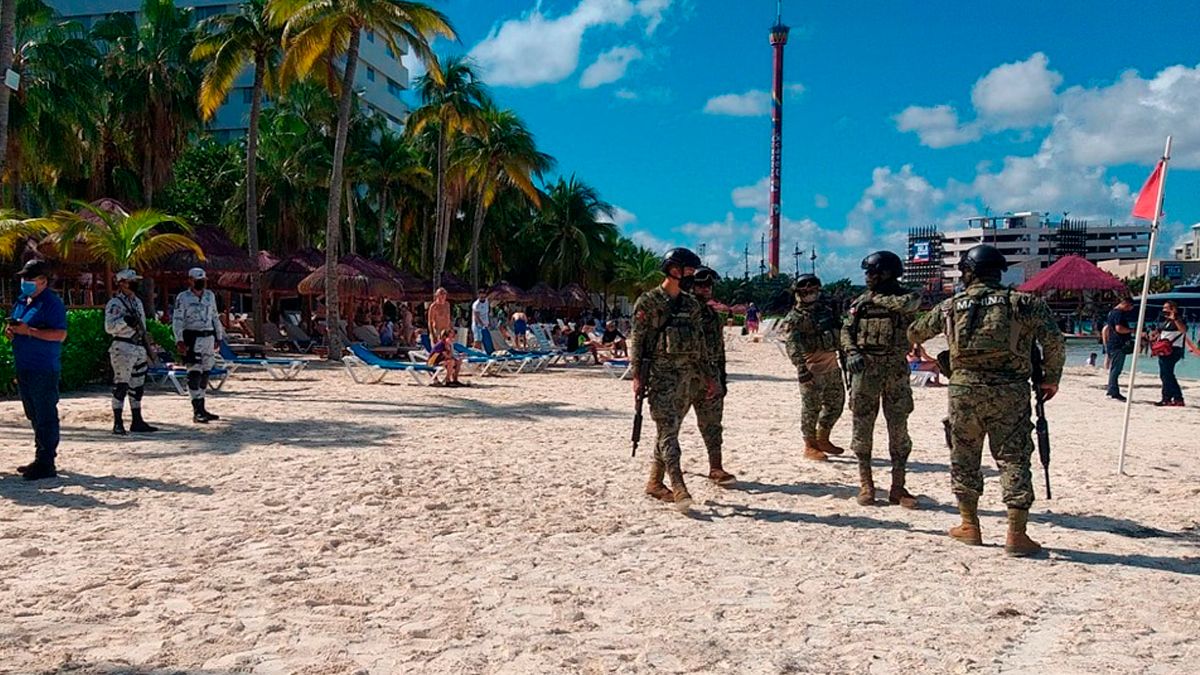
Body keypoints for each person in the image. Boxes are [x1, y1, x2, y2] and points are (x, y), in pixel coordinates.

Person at [909, 244, 1065, 557]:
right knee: (1013, 457)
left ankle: (969, 525)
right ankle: (1016, 534)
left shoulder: (951, 305)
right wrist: (1051, 377)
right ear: (999, 271)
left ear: (968, 272)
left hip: (964, 390)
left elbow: (914, 332)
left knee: (964, 456)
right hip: (1011, 390)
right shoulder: (1023, 302)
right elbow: (1054, 341)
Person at [631, 247, 717, 511]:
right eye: (687, 271)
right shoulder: (648, 302)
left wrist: (709, 377)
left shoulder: (692, 305)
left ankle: (655, 483)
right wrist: (636, 375)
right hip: (660, 377)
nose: (691, 276)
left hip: (687, 380)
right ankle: (679, 487)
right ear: (673, 269)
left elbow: (700, 345)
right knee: (668, 432)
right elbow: (638, 340)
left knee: (668, 432)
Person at [841, 250, 921, 509]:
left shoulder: (907, 296)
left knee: (898, 430)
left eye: (872, 272)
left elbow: (907, 306)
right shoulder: (860, 303)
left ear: (886, 274)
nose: (867, 277)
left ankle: (898, 486)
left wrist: (876, 299)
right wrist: (852, 351)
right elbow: (846, 331)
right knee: (862, 429)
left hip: (896, 371)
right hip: (866, 371)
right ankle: (867, 484)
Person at [8, 260, 68, 481]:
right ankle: (40, 456)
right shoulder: (23, 300)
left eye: (30, 279)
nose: (25, 283)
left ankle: (46, 462)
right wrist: (13, 331)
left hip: (43, 367)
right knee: (33, 413)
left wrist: (29, 331)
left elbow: (60, 335)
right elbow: (20, 325)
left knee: (45, 415)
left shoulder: (52, 303)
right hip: (24, 365)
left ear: (43, 281)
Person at [784, 274, 847, 462]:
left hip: (832, 366)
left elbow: (841, 333)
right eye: (805, 291)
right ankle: (810, 445)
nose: (810, 294)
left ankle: (823, 438)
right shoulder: (795, 318)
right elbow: (792, 344)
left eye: (813, 290)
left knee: (836, 405)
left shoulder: (826, 311)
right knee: (811, 408)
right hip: (811, 368)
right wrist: (801, 369)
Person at [689, 267, 736, 484]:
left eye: (709, 284)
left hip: (711, 379)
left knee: (713, 424)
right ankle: (659, 474)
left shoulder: (712, 316)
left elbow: (719, 350)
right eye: (700, 284)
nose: (705, 288)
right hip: (683, 377)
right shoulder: (680, 312)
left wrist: (722, 378)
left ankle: (715, 467)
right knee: (670, 426)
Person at [104, 269, 159, 435]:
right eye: (130, 281)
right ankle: (118, 421)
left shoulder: (137, 302)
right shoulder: (115, 304)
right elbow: (109, 328)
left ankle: (137, 419)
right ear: (121, 283)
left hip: (138, 346)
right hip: (123, 346)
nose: (134, 283)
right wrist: (124, 322)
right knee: (121, 384)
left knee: (138, 385)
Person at [173, 267, 224, 423]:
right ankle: (196, 410)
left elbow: (215, 316)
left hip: (208, 337)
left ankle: (202, 407)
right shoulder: (183, 298)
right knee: (194, 373)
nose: (201, 283)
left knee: (205, 373)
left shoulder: (210, 296)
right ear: (190, 280)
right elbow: (177, 320)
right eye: (198, 280)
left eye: (203, 280)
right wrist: (179, 340)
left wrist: (219, 335)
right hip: (192, 337)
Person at [1152, 300, 1187, 406]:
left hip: (1173, 350)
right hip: (1163, 350)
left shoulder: (1179, 319)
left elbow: (1183, 330)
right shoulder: (1165, 321)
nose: (1163, 310)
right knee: (1165, 375)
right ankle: (1168, 398)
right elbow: (1160, 332)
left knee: (1167, 375)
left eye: (1166, 308)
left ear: (1173, 308)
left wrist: (1175, 318)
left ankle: (1176, 398)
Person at [1103, 297, 1135, 401]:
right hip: (1118, 344)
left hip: (1113, 343)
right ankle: (1113, 391)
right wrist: (1132, 330)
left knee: (1115, 368)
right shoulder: (1119, 313)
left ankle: (1112, 390)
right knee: (1116, 369)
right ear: (1126, 304)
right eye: (1130, 307)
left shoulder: (1111, 312)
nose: (1129, 310)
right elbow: (1119, 329)